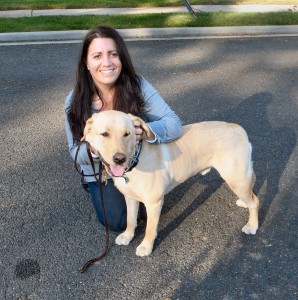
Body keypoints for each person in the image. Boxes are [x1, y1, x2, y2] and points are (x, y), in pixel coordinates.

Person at [65, 26, 183, 232]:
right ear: (86, 62)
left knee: (151, 204)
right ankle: (91, 185)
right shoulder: (74, 101)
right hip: (100, 171)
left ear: (122, 58)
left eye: (113, 54)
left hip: (136, 161)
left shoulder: (139, 86)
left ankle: (149, 185)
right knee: (118, 221)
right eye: (97, 56)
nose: (107, 63)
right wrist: (95, 149)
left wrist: (144, 131)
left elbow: (174, 124)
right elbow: (75, 151)